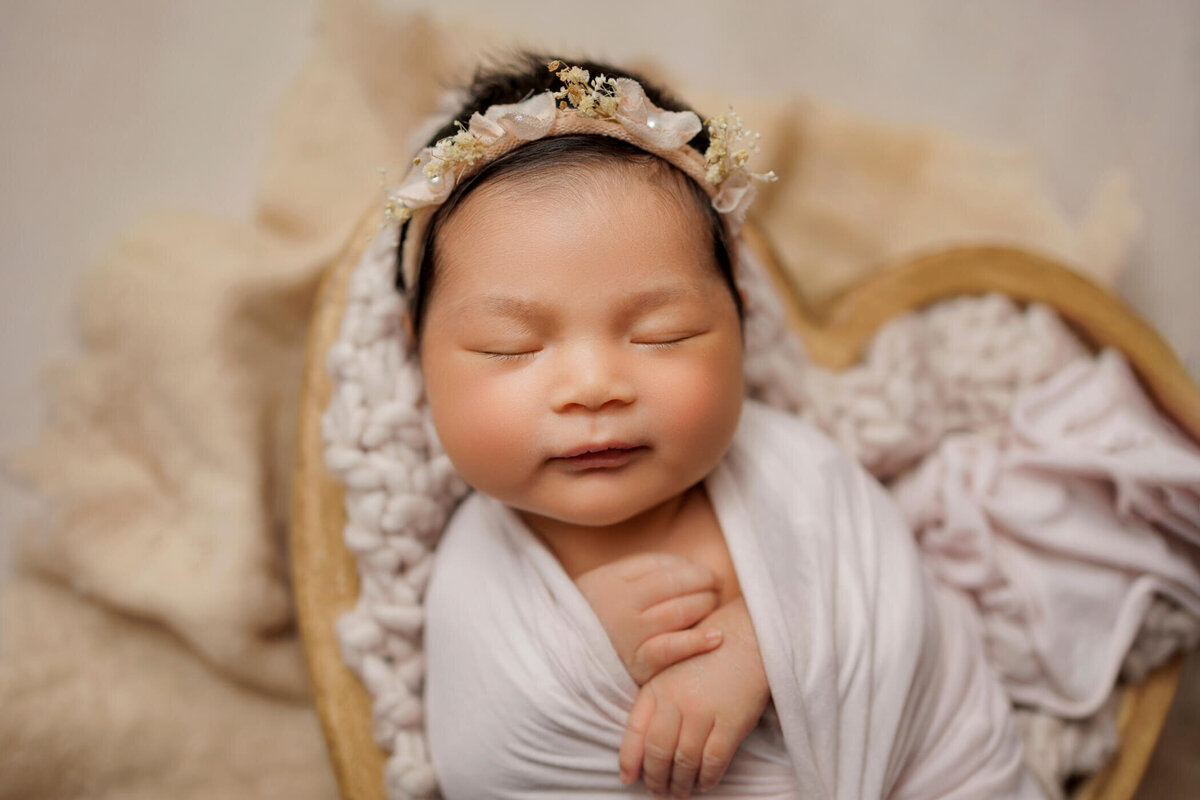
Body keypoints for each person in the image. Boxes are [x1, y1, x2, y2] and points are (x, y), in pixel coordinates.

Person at [384, 55, 1040, 799]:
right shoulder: (477, 575)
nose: (594, 387)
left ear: (741, 321)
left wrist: (765, 649)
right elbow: (487, 757)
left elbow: (894, 614)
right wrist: (586, 654)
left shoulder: (793, 474)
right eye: (513, 348)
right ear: (417, 348)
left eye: (662, 333)